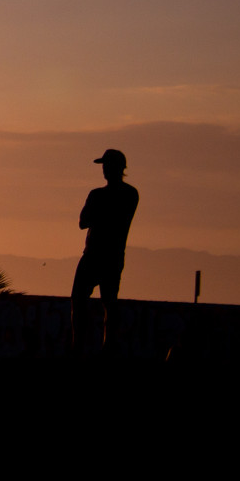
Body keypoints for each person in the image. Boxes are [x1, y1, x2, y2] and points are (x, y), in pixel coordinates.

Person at [71, 148, 140, 354]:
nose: (104, 170)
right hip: (113, 256)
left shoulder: (98, 195)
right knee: (109, 302)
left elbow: (84, 222)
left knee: (81, 299)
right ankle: (106, 346)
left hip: (94, 255)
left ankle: (80, 346)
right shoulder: (131, 194)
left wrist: (99, 213)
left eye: (106, 166)